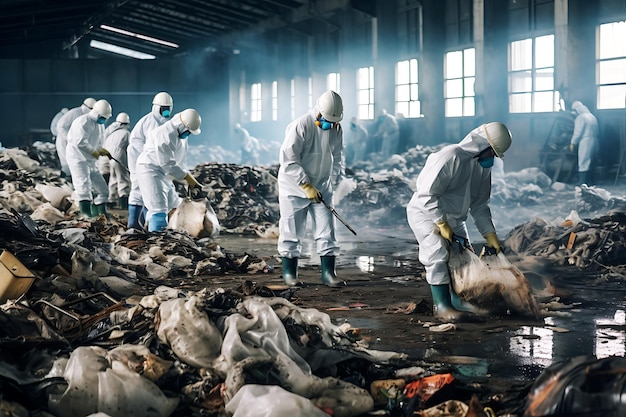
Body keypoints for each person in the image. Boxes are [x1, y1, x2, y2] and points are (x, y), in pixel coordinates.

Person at [406, 122, 512, 321]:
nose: (492, 159)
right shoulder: (450, 157)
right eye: (492, 153)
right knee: (436, 253)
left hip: (455, 219)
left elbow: (480, 206)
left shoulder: (482, 169)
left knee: (463, 257)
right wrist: (441, 224)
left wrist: (491, 237)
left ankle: (457, 301)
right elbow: (427, 195)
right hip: (426, 213)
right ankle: (442, 306)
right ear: (482, 146)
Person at [277, 90, 346, 288]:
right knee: (291, 230)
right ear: (318, 112)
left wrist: (333, 179)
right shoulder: (301, 125)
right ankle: (290, 275)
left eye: (334, 122)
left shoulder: (336, 128)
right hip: (294, 188)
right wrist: (305, 184)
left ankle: (329, 274)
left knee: (327, 230)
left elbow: (338, 156)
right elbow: (289, 160)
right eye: (328, 120)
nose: (331, 125)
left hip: (322, 185)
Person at [136, 108, 202, 232]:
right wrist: (187, 178)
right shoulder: (164, 134)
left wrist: (189, 179)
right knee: (159, 208)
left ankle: (156, 231)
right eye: (188, 131)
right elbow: (167, 163)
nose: (188, 134)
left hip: (162, 173)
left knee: (174, 203)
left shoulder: (180, 137)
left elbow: (179, 161)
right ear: (182, 125)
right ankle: (157, 243)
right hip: (150, 170)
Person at [127, 91, 173, 230]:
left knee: (151, 189)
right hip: (138, 157)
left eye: (167, 109)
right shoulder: (150, 122)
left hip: (151, 159)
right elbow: (145, 145)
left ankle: (143, 221)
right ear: (156, 107)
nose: (165, 112)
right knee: (139, 187)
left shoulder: (166, 123)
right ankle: (133, 223)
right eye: (162, 109)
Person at [66, 99, 113, 218]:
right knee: (83, 186)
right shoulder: (83, 121)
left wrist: (100, 149)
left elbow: (98, 141)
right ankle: (86, 213)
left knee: (102, 188)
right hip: (78, 158)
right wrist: (94, 152)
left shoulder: (99, 125)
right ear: (96, 113)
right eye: (102, 117)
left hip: (91, 160)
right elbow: (80, 142)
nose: (104, 120)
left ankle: (101, 213)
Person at [56, 98, 96, 178]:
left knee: (77, 165)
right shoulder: (75, 113)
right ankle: (64, 183)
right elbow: (60, 125)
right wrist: (69, 138)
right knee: (67, 165)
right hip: (65, 143)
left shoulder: (88, 117)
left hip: (75, 144)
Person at [103, 112, 131, 210]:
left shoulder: (112, 133)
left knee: (113, 179)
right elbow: (131, 148)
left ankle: (112, 200)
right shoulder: (126, 133)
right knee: (123, 179)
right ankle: (124, 203)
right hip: (119, 157)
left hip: (108, 158)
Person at [569, 100, 599, 185]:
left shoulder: (581, 117)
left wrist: (573, 142)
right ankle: (591, 181)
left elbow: (578, 132)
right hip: (595, 140)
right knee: (591, 160)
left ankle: (582, 182)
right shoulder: (592, 116)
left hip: (585, 140)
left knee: (583, 160)